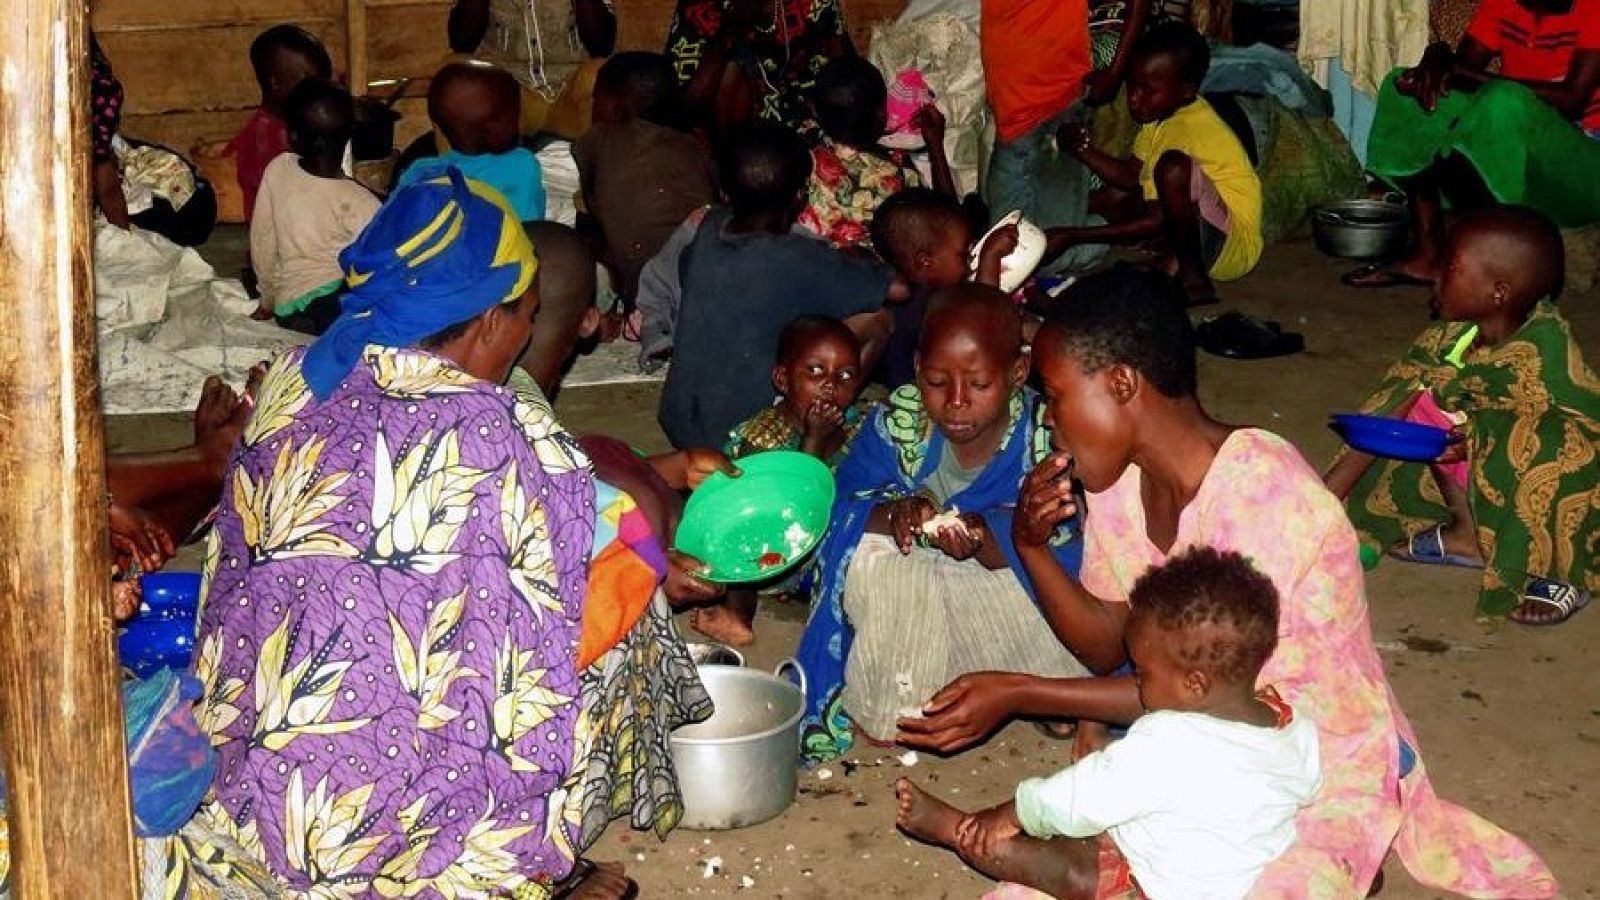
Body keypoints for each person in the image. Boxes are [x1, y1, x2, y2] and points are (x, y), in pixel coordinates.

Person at [895, 269, 1556, 898]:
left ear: (1122, 383)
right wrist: (1031, 546)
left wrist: (1017, 691)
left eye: (1058, 399)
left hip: (1302, 743)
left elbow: (1221, 694)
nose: (1049, 423)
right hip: (1192, 726)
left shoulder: (1266, 495)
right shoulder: (1121, 484)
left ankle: (1341, 841)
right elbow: (1107, 645)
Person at [175, 170, 710, 899]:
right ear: (490, 320)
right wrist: (653, 566)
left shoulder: (294, 380)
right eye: (526, 311)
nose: (527, 331)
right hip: (383, 821)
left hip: (255, 786)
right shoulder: (499, 432)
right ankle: (523, 865)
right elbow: (538, 627)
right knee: (629, 611)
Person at [896, 547, 1322, 900]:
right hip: (1237, 884)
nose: (1135, 681)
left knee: (1068, 866)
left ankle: (957, 829)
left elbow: (1076, 801)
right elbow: (1304, 788)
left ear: (1195, 683)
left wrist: (1009, 813)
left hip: (1153, 887)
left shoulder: (1168, 741)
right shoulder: (1291, 724)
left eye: (1141, 673)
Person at [795, 285, 1087, 762]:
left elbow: (1072, 550)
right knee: (873, 559)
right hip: (916, 598)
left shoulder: (1045, 439)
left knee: (1035, 588)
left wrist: (986, 538)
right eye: (935, 381)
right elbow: (834, 512)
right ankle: (922, 692)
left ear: (1017, 372)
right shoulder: (898, 426)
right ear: (915, 370)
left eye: (977, 384)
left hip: (999, 599)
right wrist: (894, 515)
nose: (955, 402)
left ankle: (1029, 687)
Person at [1327, 206, 1599, 625]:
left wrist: (1475, 432)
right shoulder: (1450, 339)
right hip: (1479, 472)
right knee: (1419, 408)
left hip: (1547, 487)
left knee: (1549, 443)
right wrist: (1322, 501)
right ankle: (1468, 536)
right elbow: (1396, 403)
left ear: (1498, 292)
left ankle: (1559, 571)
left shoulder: (1546, 354)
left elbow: (1582, 425)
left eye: (1451, 268)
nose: (1436, 276)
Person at [657, 123, 895, 449]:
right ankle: (826, 421)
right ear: (801, 196)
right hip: (743, 434)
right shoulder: (798, 257)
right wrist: (864, 260)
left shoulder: (710, 227)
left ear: (723, 191)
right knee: (879, 319)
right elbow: (899, 290)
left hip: (681, 420)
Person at [1345, 0, 1600, 289]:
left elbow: (1572, 99)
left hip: (1585, 165)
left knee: (1504, 100)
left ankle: (1492, 252)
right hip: (1520, 160)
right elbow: (1456, 75)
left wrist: (1468, 75)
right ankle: (1427, 250)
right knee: (1409, 87)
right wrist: (1437, 57)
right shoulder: (1503, 3)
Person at [1044, 23, 1262, 303]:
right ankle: (1169, 265)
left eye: (1147, 90)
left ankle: (1193, 280)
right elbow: (1130, 178)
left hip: (1234, 244)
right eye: (1132, 86)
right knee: (1140, 190)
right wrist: (1080, 150)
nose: (1134, 99)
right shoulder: (1160, 118)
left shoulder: (1189, 129)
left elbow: (1155, 219)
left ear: (1186, 91)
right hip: (1209, 229)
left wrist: (1074, 235)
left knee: (1171, 170)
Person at [689, 315, 869, 647]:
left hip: (818, 549)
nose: (831, 385)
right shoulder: (760, 439)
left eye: (845, 376)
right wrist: (814, 441)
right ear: (783, 380)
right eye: (815, 371)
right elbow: (785, 514)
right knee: (740, 555)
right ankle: (738, 615)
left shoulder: (857, 423)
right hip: (768, 551)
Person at [574, 51, 715, 308]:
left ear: (617, 108)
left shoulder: (598, 141)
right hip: (700, 284)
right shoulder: (695, 147)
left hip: (638, 290)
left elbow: (589, 216)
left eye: (596, 101)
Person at [248, 78, 380, 335]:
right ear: (350, 133)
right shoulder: (361, 202)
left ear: (294, 136)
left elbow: (263, 241)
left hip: (287, 308)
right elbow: (377, 267)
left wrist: (267, 300)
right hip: (329, 305)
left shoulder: (278, 168)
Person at [796, 56, 955, 250]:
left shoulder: (800, 142)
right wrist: (935, 145)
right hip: (878, 271)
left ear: (815, 109)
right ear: (881, 115)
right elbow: (947, 221)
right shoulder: (889, 176)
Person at [869, 187, 1019, 389]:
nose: (971, 258)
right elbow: (981, 324)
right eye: (962, 254)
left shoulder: (930, 286)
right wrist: (990, 257)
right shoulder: (917, 302)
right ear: (925, 262)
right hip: (916, 394)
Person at [197, 25, 333, 224]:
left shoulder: (278, 126)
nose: (319, 94)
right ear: (275, 84)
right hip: (282, 243)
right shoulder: (270, 141)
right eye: (309, 83)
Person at [665, 0, 856, 134]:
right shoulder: (703, 7)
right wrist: (734, 27)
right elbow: (688, 102)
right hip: (732, 138)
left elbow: (844, 71)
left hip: (804, 126)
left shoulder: (815, 4)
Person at [396, 63, 546, 222]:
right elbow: (529, 227)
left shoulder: (419, 170)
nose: (521, 120)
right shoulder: (521, 164)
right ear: (493, 130)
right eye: (515, 114)